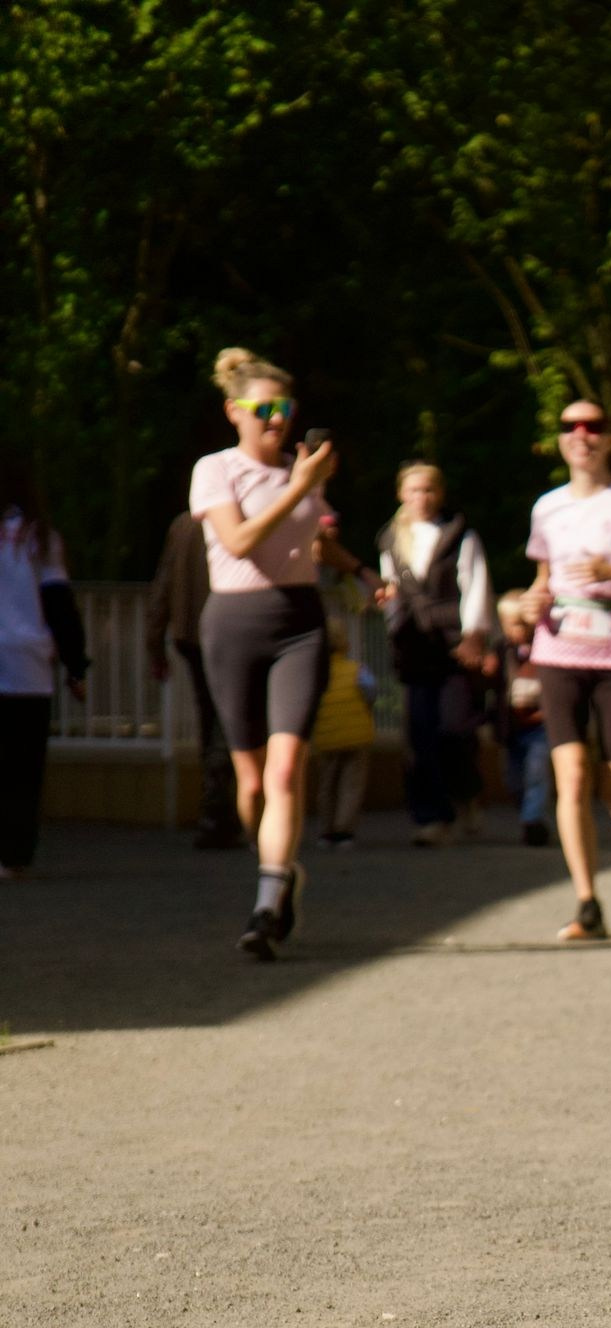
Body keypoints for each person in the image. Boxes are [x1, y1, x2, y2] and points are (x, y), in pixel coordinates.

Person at [190, 346, 378, 958]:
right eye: (264, 408)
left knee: (287, 768)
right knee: (251, 782)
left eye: (286, 407)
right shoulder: (216, 470)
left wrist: (364, 573)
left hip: (299, 623)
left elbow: (317, 547)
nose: (277, 419)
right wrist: (297, 486)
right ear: (234, 411)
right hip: (235, 623)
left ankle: (268, 903)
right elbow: (239, 541)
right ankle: (281, 870)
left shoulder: (305, 473)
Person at [519, 399, 611, 942]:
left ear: (609, 438)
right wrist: (529, 604)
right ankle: (587, 902)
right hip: (559, 647)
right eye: (569, 426)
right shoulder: (547, 507)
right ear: (559, 439)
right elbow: (542, 578)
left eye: (594, 426)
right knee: (573, 774)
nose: (581, 434)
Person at [378, 461, 494, 847]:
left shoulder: (460, 535)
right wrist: (390, 619)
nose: (421, 498)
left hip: (454, 644)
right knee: (419, 735)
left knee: (455, 729)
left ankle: (466, 793)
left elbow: (474, 585)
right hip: (415, 648)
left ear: (439, 494)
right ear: (401, 495)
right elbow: (391, 594)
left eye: (428, 490)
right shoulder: (390, 541)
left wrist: (474, 635)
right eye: (414, 491)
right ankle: (430, 816)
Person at [0, 456, 88, 878]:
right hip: (28, 667)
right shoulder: (39, 539)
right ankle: (14, 855)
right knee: (23, 767)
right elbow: (59, 604)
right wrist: (76, 666)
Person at [144, 509, 246, 848]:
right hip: (233, 632)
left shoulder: (184, 525)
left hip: (191, 634)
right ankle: (222, 812)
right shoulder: (241, 518)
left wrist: (155, 641)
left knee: (212, 720)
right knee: (231, 723)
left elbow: (165, 580)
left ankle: (217, 811)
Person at [306, 618, 375, 850]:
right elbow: (370, 692)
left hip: (326, 738)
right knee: (351, 785)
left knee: (327, 785)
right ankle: (344, 830)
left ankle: (326, 830)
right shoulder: (356, 670)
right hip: (357, 736)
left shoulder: (314, 676)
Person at [494, 590, 553, 847]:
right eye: (510, 625)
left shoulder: (546, 646)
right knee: (513, 779)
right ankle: (528, 814)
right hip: (512, 727)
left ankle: (532, 821)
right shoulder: (501, 651)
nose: (516, 630)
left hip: (540, 725)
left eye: (521, 624)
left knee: (536, 773)